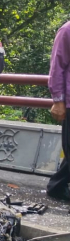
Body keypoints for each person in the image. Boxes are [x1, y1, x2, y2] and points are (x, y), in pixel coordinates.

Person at [47, 20, 70, 200]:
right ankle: (57, 187)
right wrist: (58, 100)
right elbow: (57, 67)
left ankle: (57, 186)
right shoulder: (67, 30)